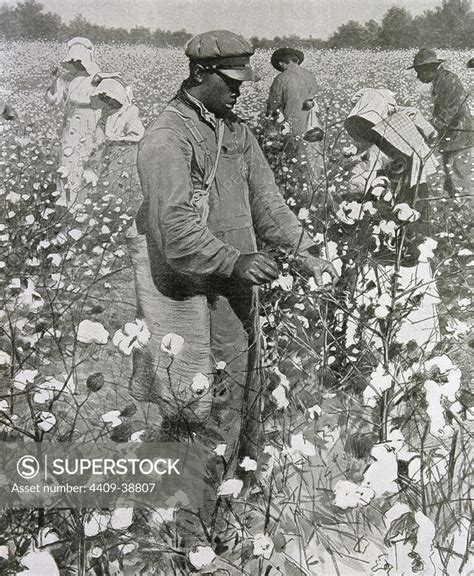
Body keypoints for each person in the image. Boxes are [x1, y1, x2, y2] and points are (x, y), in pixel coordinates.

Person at [130, 30, 338, 474]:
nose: (240, 89)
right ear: (200, 72)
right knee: (204, 402)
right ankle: (195, 520)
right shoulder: (168, 138)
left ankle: (238, 496)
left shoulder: (233, 129)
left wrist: (304, 252)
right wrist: (235, 261)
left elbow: (267, 201)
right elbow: (175, 231)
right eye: (231, 80)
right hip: (194, 291)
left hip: (237, 285)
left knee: (245, 389)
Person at [408, 48, 473, 196]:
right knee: (450, 180)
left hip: (460, 137)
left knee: (460, 180)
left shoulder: (449, 80)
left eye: (419, 72)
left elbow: (448, 112)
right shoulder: (440, 81)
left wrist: (427, 129)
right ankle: (454, 211)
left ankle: (464, 213)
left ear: (429, 68)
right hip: (451, 138)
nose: (418, 76)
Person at [46, 37, 101, 208]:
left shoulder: (97, 77)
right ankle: (64, 199)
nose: (75, 64)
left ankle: (79, 203)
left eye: (78, 61)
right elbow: (53, 100)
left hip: (89, 120)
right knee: (66, 159)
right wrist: (54, 81)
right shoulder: (66, 77)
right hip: (70, 121)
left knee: (82, 159)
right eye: (72, 61)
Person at [266, 47, 324, 183]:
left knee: (295, 163)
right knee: (314, 161)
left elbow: (272, 108)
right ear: (297, 61)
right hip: (314, 127)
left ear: (281, 64)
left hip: (293, 129)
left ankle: (297, 191)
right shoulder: (310, 76)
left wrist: (270, 125)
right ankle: (316, 190)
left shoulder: (280, 79)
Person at [88, 78, 145, 209]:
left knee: (124, 183)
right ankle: (110, 208)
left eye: (110, 99)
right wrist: (99, 142)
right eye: (106, 100)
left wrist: (117, 139)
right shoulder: (106, 114)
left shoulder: (130, 111)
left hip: (126, 154)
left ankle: (124, 209)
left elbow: (137, 135)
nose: (108, 102)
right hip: (108, 153)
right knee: (107, 183)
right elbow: (99, 134)